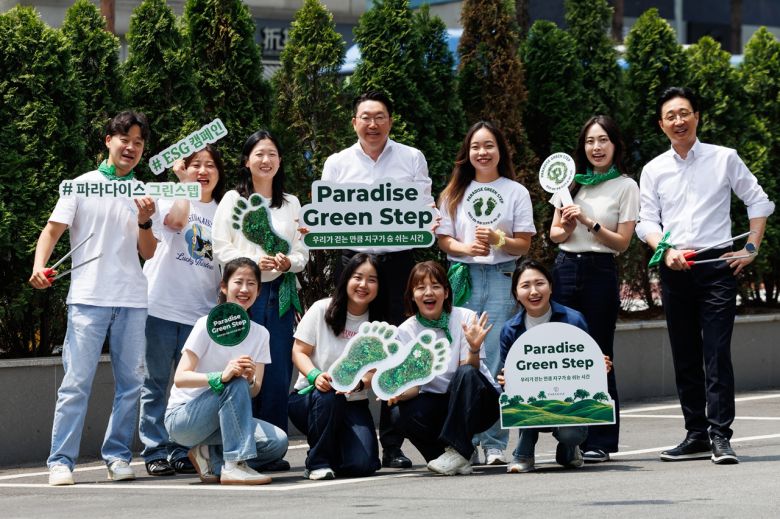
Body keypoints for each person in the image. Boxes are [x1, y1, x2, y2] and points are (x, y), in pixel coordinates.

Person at [636, 86, 774, 465]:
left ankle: (720, 436)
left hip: (717, 267)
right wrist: (665, 250)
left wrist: (751, 247)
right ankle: (695, 434)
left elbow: (758, 200)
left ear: (697, 116)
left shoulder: (724, 158)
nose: (678, 121)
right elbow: (646, 221)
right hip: (675, 267)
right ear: (661, 124)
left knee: (716, 352)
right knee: (684, 353)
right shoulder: (653, 169)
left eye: (685, 113)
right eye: (670, 116)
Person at [29, 111, 158, 486]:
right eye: (124, 139)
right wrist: (39, 266)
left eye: (138, 142)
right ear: (108, 141)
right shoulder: (80, 185)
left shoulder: (144, 193)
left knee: (131, 384)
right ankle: (60, 461)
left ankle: (117, 456)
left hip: (132, 300)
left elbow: (148, 252)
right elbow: (51, 231)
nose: (131, 147)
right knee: (76, 382)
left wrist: (146, 220)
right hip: (87, 298)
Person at [321, 91, 434, 468]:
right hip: (352, 263)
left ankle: (393, 444)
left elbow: (424, 206)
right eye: (365, 117)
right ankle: (337, 430)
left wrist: (430, 217)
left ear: (390, 121)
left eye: (380, 117)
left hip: (397, 262)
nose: (373, 124)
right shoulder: (337, 163)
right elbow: (327, 212)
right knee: (346, 340)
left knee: (396, 347)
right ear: (354, 122)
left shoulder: (411, 158)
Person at [437, 121, 535, 465]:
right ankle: (465, 442)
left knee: (494, 359)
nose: (482, 152)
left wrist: (499, 240)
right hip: (463, 277)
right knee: (463, 358)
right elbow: (444, 240)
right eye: (476, 146)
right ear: (467, 153)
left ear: (500, 151)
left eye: (489, 145)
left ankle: (494, 443)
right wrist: (465, 248)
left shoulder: (515, 191)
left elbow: (524, 243)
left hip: (501, 277)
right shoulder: (452, 193)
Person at [212, 130, 307, 471]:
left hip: (281, 294)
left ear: (280, 161)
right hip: (243, 296)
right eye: (259, 154)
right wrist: (253, 263)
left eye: (272, 154)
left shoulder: (292, 203)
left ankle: (272, 451)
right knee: (244, 370)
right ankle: (241, 450)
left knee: (278, 374)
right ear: (246, 161)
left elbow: (302, 252)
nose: (266, 160)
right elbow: (221, 247)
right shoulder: (231, 200)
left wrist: (287, 262)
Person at [548, 115, 639, 463]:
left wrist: (589, 222)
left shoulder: (626, 186)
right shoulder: (570, 183)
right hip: (565, 268)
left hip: (600, 270)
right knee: (564, 351)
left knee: (600, 354)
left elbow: (622, 243)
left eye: (603, 140)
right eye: (590, 141)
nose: (596, 147)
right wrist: (568, 225)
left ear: (615, 145)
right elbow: (555, 235)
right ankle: (569, 437)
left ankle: (600, 441)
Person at [138, 145, 226, 476]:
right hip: (160, 306)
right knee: (155, 383)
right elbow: (175, 222)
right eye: (195, 165)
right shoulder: (168, 197)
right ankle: (154, 450)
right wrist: (183, 185)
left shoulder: (223, 211)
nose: (203, 171)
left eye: (210, 165)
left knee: (190, 387)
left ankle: (180, 449)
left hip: (201, 314)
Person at [164, 257, 289, 485]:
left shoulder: (261, 334)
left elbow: (254, 390)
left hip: (224, 419)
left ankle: (207, 455)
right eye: (238, 282)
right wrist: (221, 377)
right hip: (184, 419)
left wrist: (249, 379)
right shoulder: (205, 324)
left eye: (251, 284)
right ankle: (234, 465)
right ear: (224, 287)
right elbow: (180, 378)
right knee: (234, 381)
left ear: (259, 291)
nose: (244, 289)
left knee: (277, 442)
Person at [387, 261, 499, 476]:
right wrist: (398, 393)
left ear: (446, 293)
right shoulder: (405, 331)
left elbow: (471, 373)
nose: (428, 292)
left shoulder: (465, 317)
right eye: (420, 288)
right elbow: (414, 387)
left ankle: (457, 450)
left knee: (466, 372)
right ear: (412, 296)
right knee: (397, 413)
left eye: (436, 286)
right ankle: (450, 456)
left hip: (477, 402)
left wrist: (474, 349)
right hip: (438, 405)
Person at [498, 260, 611, 473]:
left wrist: (598, 368)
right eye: (525, 286)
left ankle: (570, 449)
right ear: (516, 293)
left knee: (571, 433)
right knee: (524, 393)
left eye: (540, 283)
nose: (534, 291)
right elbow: (508, 375)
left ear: (550, 287)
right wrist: (506, 380)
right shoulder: (510, 329)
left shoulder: (573, 320)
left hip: (569, 402)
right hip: (533, 403)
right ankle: (524, 452)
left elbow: (586, 363)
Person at [288, 253, 385, 480]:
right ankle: (317, 463)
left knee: (363, 465)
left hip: (353, 403)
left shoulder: (379, 323)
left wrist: (359, 384)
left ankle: (333, 450)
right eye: (357, 277)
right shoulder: (322, 308)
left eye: (372, 280)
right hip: (311, 398)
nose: (363, 285)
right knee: (329, 395)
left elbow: (375, 371)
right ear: (346, 279)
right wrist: (315, 376)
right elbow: (298, 352)